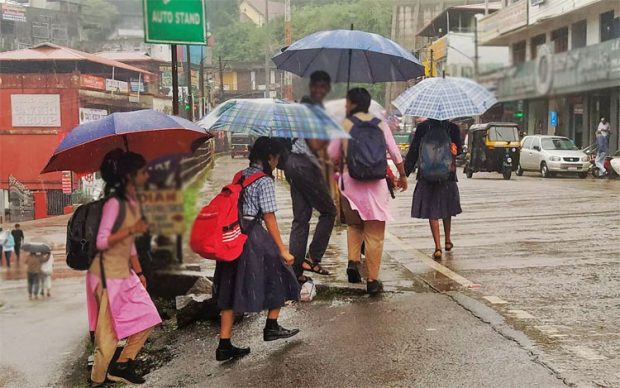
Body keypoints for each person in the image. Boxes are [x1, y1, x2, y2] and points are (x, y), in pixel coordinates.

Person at [214, 137, 300, 361]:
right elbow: (269, 217)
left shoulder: (240, 175)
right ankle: (271, 325)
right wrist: (282, 249)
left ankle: (224, 344)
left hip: (232, 236)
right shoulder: (264, 181)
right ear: (270, 157)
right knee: (282, 273)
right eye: (277, 157)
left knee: (230, 287)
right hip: (252, 236)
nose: (277, 161)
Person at [88, 150, 161, 386]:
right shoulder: (114, 204)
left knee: (148, 316)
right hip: (108, 273)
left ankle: (122, 364)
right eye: (142, 172)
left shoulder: (130, 202)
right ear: (130, 176)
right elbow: (102, 240)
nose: (146, 175)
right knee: (108, 333)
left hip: (124, 271)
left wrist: (139, 272)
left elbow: (129, 247)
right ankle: (98, 380)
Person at [328, 88, 408, 295]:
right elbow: (395, 152)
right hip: (376, 184)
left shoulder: (344, 124)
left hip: (350, 183)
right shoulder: (380, 123)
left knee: (354, 225)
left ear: (352, 104)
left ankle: (353, 262)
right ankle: (373, 280)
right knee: (374, 235)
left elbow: (332, 155)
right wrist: (402, 175)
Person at [286, 70, 337, 282]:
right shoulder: (312, 111)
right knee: (329, 211)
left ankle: (295, 271)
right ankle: (313, 258)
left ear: (327, 89)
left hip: (292, 164)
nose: (319, 90)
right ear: (312, 88)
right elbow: (315, 145)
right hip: (305, 166)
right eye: (316, 86)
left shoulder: (302, 108)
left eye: (323, 87)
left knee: (301, 218)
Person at [405, 119, 463, 260]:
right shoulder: (452, 128)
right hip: (447, 175)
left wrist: (404, 173)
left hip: (427, 175)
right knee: (446, 207)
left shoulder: (423, 128)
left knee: (432, 210)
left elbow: (413, 152)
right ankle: (447, 240)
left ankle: (437, 247)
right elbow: (459, 150)